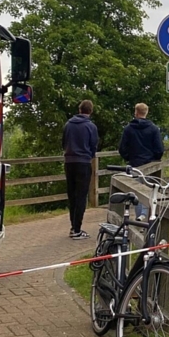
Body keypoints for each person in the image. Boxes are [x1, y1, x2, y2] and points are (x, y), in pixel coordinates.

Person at [62, 100, 99, 240]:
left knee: (72, 195)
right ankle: (77, 229)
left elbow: (63, 142)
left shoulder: (68, 125)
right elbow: (93, 145)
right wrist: (89, 155)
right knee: (81, 196)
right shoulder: (91, 126)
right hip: (83, 162)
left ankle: (73, 226)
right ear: (90, 111)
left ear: (79, 109)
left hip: (69, 162)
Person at [118, 103, 164, 168]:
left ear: (136, 113)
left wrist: (130, 158)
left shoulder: (128, 129)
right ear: (146, 113)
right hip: (150, 165)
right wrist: (154, 159)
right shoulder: (154, 129)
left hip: (134, 164)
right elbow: (159, 149)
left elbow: (122, 148)